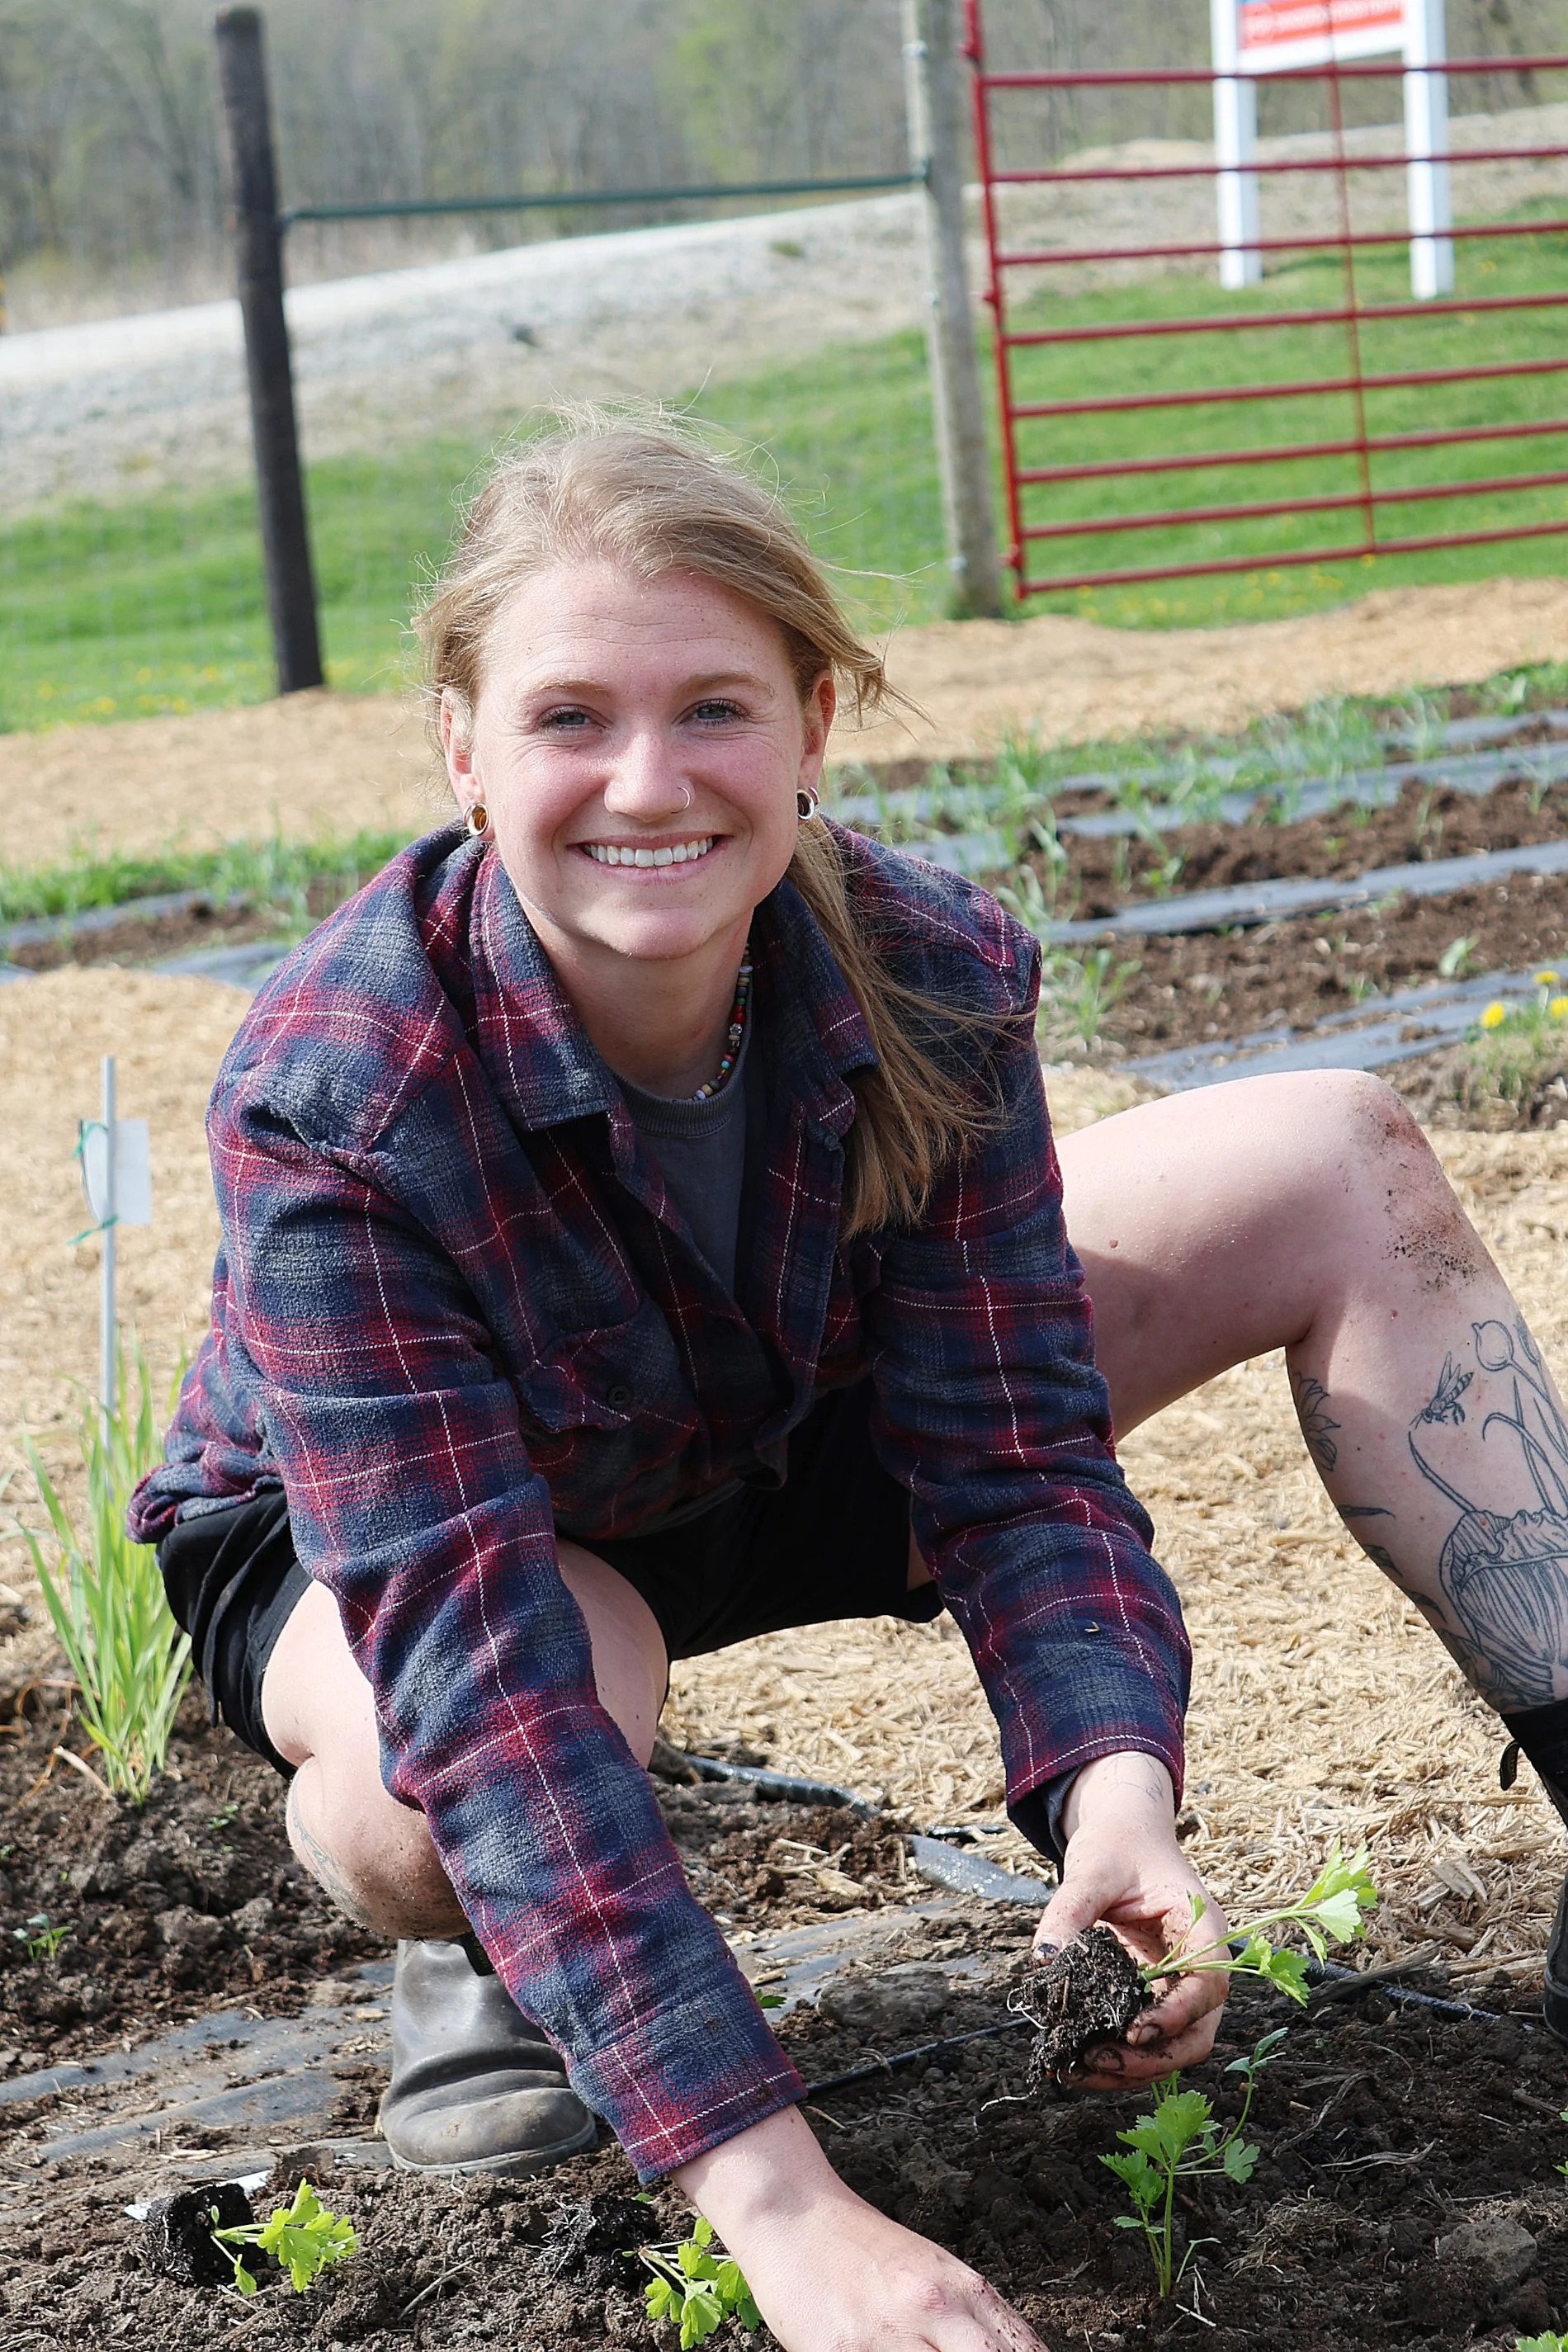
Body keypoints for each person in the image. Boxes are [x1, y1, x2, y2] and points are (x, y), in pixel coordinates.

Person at [130, 412, 1568, 2352]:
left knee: (1330, 1151)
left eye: (713, 706)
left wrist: (1113, 1793)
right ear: (461, 748)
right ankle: (500, 1951)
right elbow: (474, 1659)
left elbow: (1011, 1456)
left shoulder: (926, 971)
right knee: (433, 1778)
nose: (647, 781)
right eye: (569, 718)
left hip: (788, 1411)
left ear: (813, 722)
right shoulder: (341, 1097)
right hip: (437, 1547)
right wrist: (784, 2209)